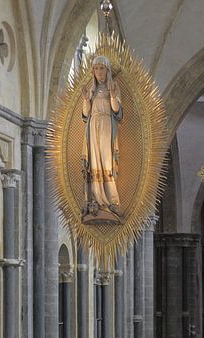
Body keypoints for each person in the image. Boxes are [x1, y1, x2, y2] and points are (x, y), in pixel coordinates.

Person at [82, 55, 123, 220]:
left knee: (107, 162)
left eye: (102, 68)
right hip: (93, 127)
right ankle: (94, 200)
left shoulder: (113, 88)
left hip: (107, 126)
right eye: (96, 68)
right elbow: (85, 114)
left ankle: (112, 201)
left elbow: (117, 112)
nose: (99, 72)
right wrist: (85, 99)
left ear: (108, 71)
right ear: (93, 71)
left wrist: (112, 97)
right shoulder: (91, 90)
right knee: (94, 162)